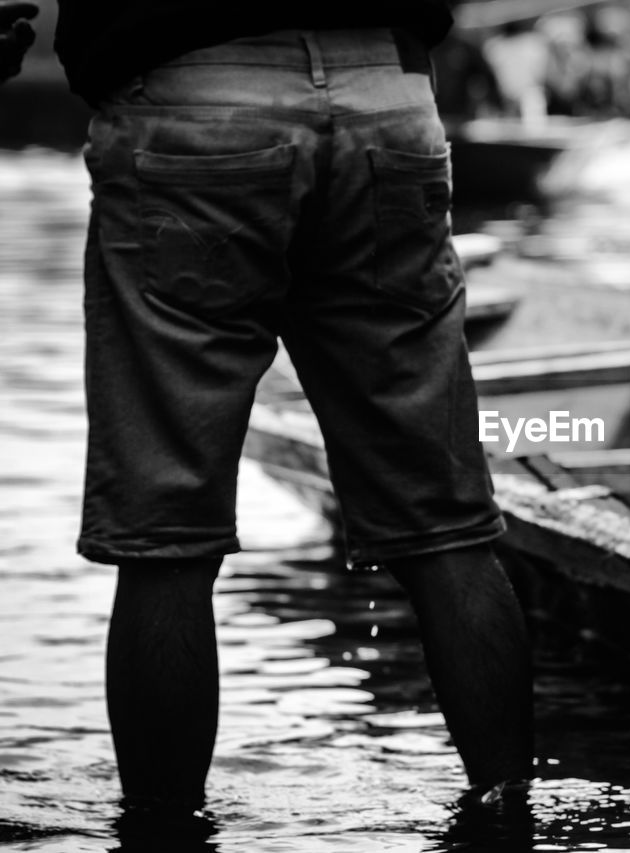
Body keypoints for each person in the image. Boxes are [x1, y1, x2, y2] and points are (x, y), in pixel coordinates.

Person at [3, 0, 533, 824]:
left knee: (166, 536)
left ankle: (164, 834)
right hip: (387, 99)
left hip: (192, 103)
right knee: (448, 526)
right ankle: (511, 820)